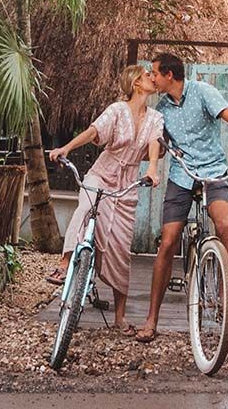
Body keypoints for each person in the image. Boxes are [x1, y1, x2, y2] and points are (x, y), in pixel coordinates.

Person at [136, 50, 228, 342]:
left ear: (169, 75)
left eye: (155, 73)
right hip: (181, 175)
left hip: (212, 170)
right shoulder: (161, 108)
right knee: (168, 242)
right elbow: (157, 148)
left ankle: (225, 297)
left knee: (223, 224)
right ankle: (151, 319)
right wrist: (142, 159)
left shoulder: (203, 92)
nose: (153, 78)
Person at [47, 64, 162, 334]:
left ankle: (120, 318)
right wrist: (66, 147)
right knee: (86, 209)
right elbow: (93, 131)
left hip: (128, 185)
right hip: (101, 174)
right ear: (135, 83)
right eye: (147, 75)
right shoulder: (117, 110)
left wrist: (153, 169)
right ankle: (65, 263)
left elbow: (155, 143)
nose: (152, 78)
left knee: (121, 250)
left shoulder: (155, 118)